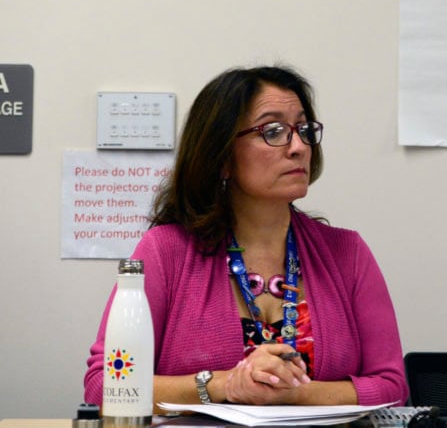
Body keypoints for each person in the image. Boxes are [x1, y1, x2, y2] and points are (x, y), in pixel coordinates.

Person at [84, 65, 408, 408]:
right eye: (273, 130)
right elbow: (104, 386)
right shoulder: (166, 251)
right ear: (222, 157)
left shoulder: (347, 253)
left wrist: (297, 393)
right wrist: (224, 385)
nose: (298, 146)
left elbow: (392, 387)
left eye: (303, 129)